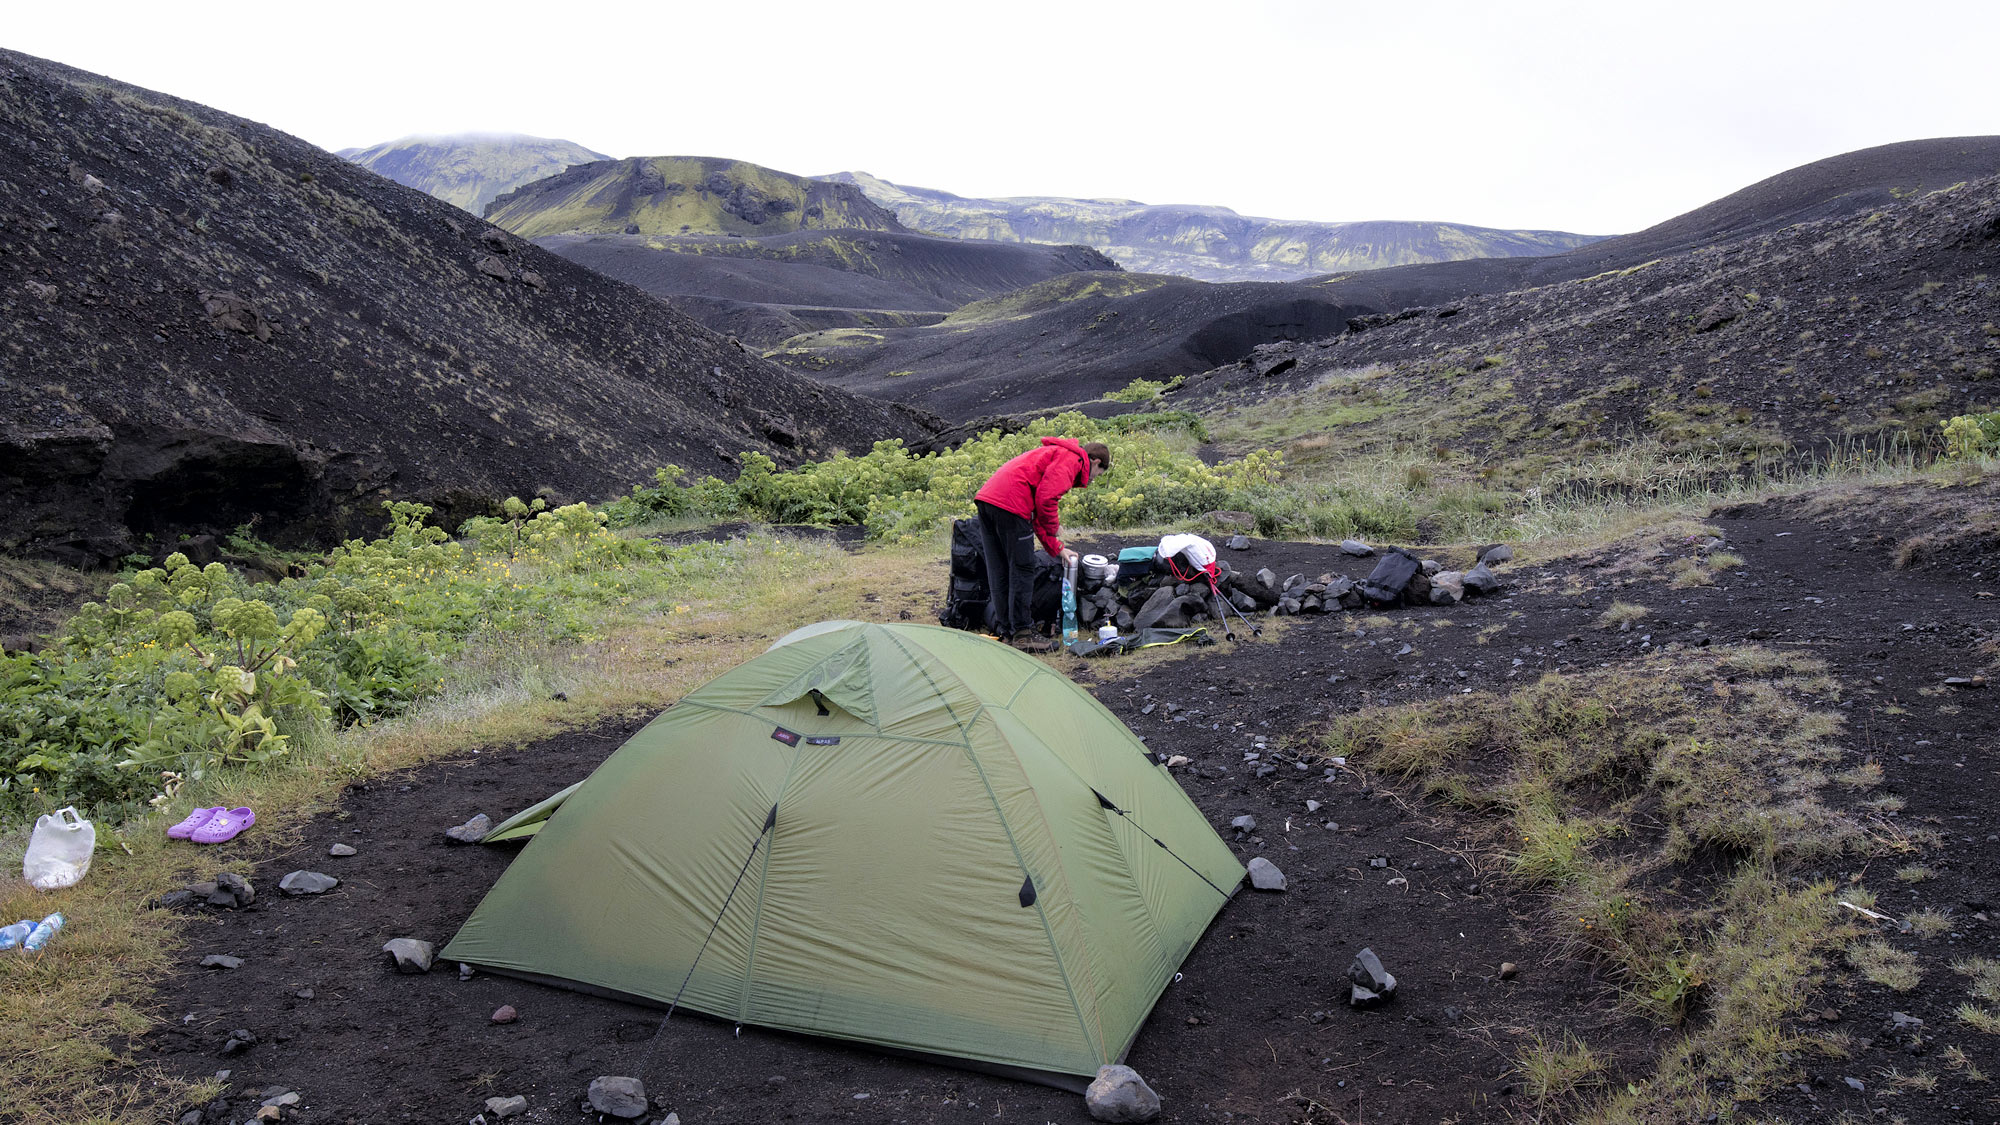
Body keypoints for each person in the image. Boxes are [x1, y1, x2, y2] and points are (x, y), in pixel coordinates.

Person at [973, 437, 1110, 652]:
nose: (1093, 479)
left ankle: (1008, 630)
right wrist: (1054, 526)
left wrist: (1057, 548)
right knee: (1023, 567)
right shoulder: (1072, 459)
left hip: (988, 499)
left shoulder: (1058, 454)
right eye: (1098, 474)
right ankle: (1023, 633)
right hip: (1010, 502)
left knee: (999, 569)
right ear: (1094, 462)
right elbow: (1047, 499)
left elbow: (1037, 511)